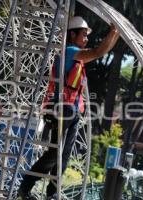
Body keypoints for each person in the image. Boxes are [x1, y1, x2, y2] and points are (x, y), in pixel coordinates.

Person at [18, 16, 120, 200]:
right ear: (72, 35)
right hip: (61, 109)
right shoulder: (69, 52)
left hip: (72, 112)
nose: (86, 38)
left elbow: (98, 52)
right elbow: (98, 52)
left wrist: (116, 34)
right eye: (83, 34)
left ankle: (51, 194)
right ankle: (24, 188)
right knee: (54, 153)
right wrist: (112, 33)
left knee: (63, 157)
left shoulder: (78, 58)